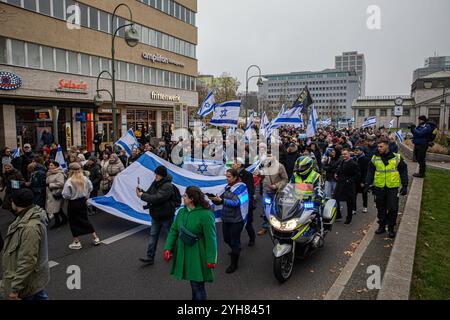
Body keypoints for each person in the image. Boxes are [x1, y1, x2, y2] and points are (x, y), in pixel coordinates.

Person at [163, 186, 217, 300]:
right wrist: (168, 247)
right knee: (193, 284)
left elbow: (211, 239)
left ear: (192, 199)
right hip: (184, 252)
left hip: (198, 254)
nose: (183, 197)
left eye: (185, 196)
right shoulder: (182, 211)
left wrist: (211, 259)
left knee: (197, 286)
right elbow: (174, 230)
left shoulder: (206, 215)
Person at [0, 189, 50, 300]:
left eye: (12, 201)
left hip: (26, 279)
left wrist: (15, 289)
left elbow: (27, 260)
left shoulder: (29, 228)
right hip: (31, 278)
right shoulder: (27, 215)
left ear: (16, 203)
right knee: (39, 294)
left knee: (35, 294)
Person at [366, 140, 408, 238]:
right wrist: (367, 183)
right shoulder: (374, 158)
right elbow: (370, 172)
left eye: (381, 146)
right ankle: (381, 226)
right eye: (378, 147)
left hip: (392, 187)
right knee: (381, 208)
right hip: (379, 187)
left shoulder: (397, 158)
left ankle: (391, 228)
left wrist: (405, 185)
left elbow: (403, 171)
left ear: (387, 147)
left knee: (393, 208)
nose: (378, 148)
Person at [209, 169, 249, 274]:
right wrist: (214, 199)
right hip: (226, 218)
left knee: (234, 241)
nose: (227, 179)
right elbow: (220, 200)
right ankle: (236, 249)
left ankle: (234, 264)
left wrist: (222, 201)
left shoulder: (241, 187)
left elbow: (236, 203)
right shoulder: (227, 187)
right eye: (226, 176)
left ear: (235, 177)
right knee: (227, 239)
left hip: (237, 220)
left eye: (229, 176)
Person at [137, 166, 179, 265]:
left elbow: (157, 198)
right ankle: (150, 257)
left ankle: (176, 254)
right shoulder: (155, 183)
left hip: (166, 215)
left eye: (157, 174)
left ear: (162, 175)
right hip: (156, 215)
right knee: (153, 236)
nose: (155, 175)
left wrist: (142, 196)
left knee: (171, 236)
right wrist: (141, 191)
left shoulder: (167, 186)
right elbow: (149, 194)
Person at [62, 162, 100, 250]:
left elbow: (65, 194)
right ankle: (95, 238)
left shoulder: (69, 181)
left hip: (73, 203)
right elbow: (90, 188)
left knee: (74, 221)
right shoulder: (85, 179)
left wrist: (71, 196)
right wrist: (86, 195)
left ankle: (76, 242)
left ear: (71, 171)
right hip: (83, 201)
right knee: (84, 219)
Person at [253, 152, 288, 236]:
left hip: (277, 192)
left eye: (270, 156)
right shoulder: (263, 165)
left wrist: (276, 186)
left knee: (278, 209)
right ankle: (265, 227)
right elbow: (260, 175)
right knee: (266, 209)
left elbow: (285, 179)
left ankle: (280, 227)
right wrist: (258, 173)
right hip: (266, 192)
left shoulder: (280, 166)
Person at [232, 158, 256, 247]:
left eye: (234, 163)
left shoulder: (247, 174)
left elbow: (250, 190)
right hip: (235, 203)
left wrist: (244, 201)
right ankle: (235, 246)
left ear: (239, 164)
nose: (232, 164)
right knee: (235, 226)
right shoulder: (233, 175)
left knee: (248, 223)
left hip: (245, 203)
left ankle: (252, 238)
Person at [334, 149, 359, 225]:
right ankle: (338, 215)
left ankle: (349, 218)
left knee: (349, 202)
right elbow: (339, 170)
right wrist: (336, 174)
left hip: (348, 185)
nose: (344, 156)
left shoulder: (353, 163)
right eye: (343, 154)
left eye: (345, 154)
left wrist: (349, 180)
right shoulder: (342, 162)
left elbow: (357, 175)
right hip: (340, 183)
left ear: (349, 154)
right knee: (335, 198)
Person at [46, 160, 67, 229]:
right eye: (49, 165)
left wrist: (50, 185)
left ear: (56, 166)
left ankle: (57, 222)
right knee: (57, 208)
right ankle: (65, 219)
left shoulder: (59, 173)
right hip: (50, 194)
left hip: (56, 193)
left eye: (51, 165)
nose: (50, 166)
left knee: (55, 209)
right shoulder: (50, 173)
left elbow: (61, 183)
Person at [354, 147, 370, 213]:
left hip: (362, 180)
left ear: (361, 151)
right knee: (354, 195)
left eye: (357, 150)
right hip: (355, 180)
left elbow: (366, 171)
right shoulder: (354, 158)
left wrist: (363, 181)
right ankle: (354, 208)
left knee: (364, 194)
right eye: (355, 150)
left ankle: (365, 207)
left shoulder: (365, 159)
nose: (355, 152)